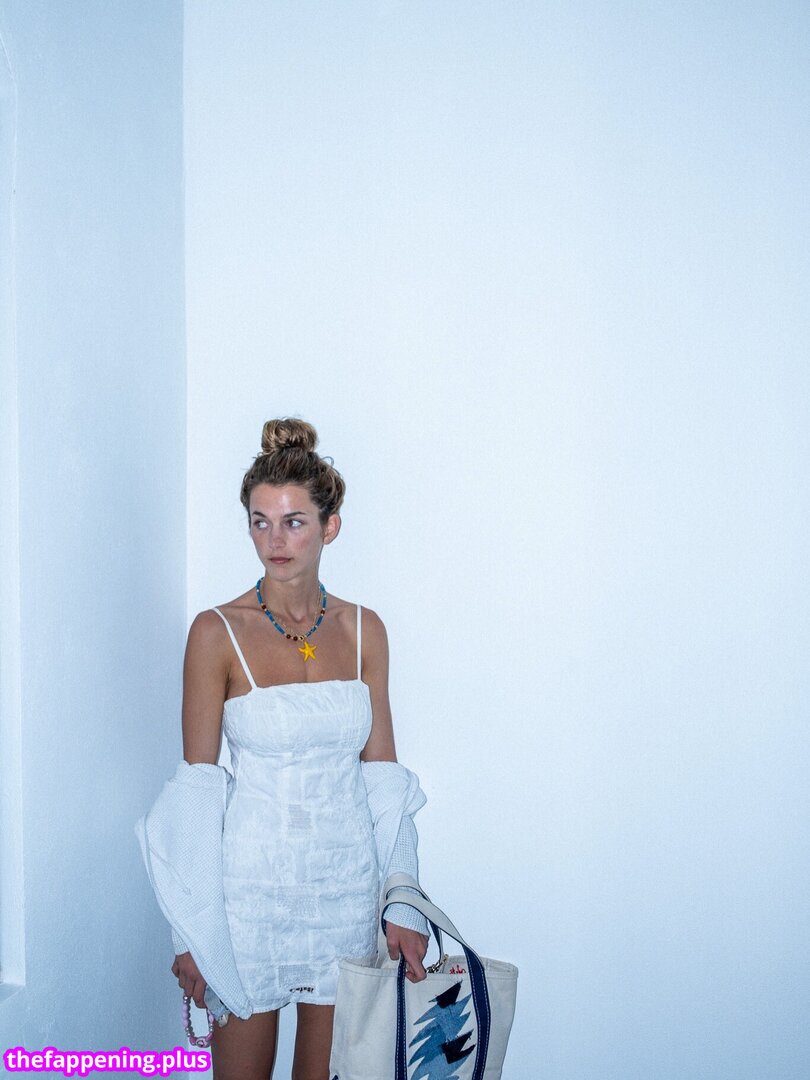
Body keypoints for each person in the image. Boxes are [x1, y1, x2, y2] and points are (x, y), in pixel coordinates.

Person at [163, 418, 428, 1080]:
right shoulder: (216, 632)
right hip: (248, 896)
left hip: (346, 889)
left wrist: (402, 899)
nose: (274, 541)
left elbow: (383, 777)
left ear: (330, 526)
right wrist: (190, 931)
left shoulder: (365, 630)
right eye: (260, 522)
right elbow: (198, 788)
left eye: (293, 522)